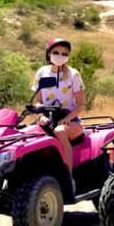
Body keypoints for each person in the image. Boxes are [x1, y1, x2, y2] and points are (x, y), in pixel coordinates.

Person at [32, 38, 85, 186]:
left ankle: (67, 178)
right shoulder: (41, 72)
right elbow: (37, 101)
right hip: (48, 117)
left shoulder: (73, 74)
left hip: (70, 119)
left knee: (60, 131)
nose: (59, 56)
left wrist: (67, 118)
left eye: (64, 53)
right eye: (56, 52)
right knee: (29, 134)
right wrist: (41, 115)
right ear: (48, 53)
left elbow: (80, 105)